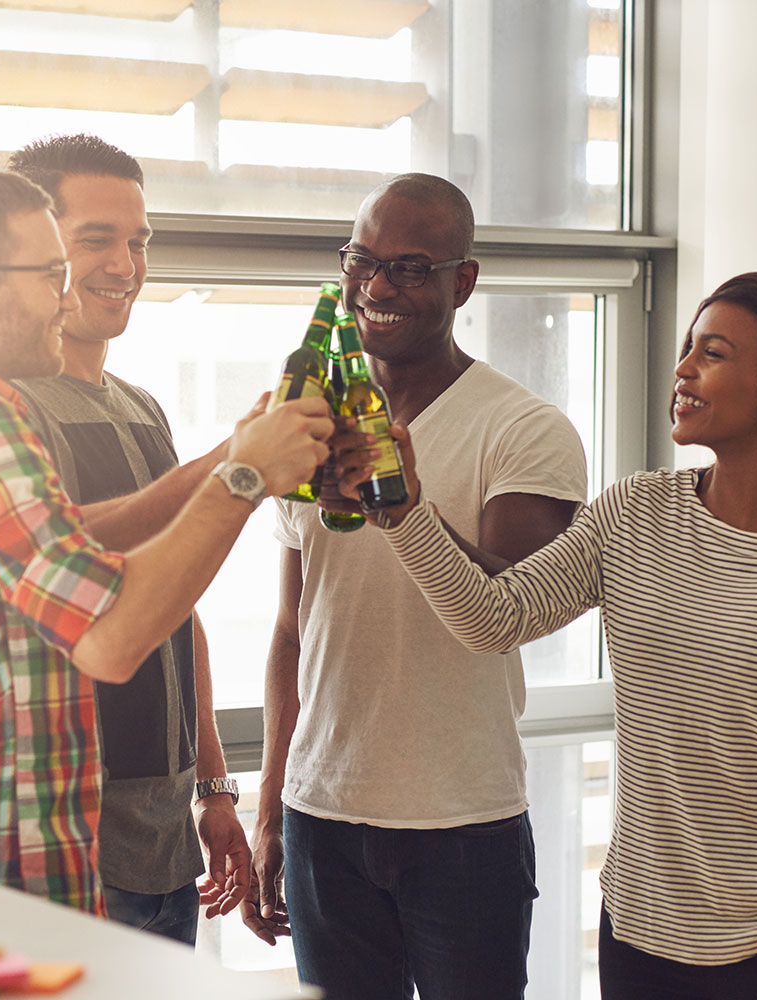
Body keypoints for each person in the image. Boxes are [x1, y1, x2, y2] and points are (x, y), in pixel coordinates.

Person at [345, 272, 757, 998]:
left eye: (714, 353)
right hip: (636, 938)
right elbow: (494, 618)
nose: (683, 369)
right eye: (687, 349)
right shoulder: (637, 510)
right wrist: (405, 511)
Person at [0, 169, 331, 914]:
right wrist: (245, 478)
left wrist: (228, 456)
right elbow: (111, 637)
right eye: (52, 271)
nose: (68, 295)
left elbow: (59, 549)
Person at [241, 173, 589, 1000]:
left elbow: (508, 609)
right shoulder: (309, 425)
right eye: (363, 261)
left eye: (410, 267)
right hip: (320, 811)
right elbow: (294, 632)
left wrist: (402, 504)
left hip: (462, 824)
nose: (378, 287)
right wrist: (271, 802)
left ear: (462, 282)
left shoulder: (526, 428)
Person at [5, 134, 251, 942]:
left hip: (167, 841)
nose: (126, 264)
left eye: (139, 241)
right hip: (67, 856)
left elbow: (173, 602)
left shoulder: (142, 408)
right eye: (97, 240)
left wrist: (213, 789)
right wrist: (241, 468)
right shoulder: (6, 416)